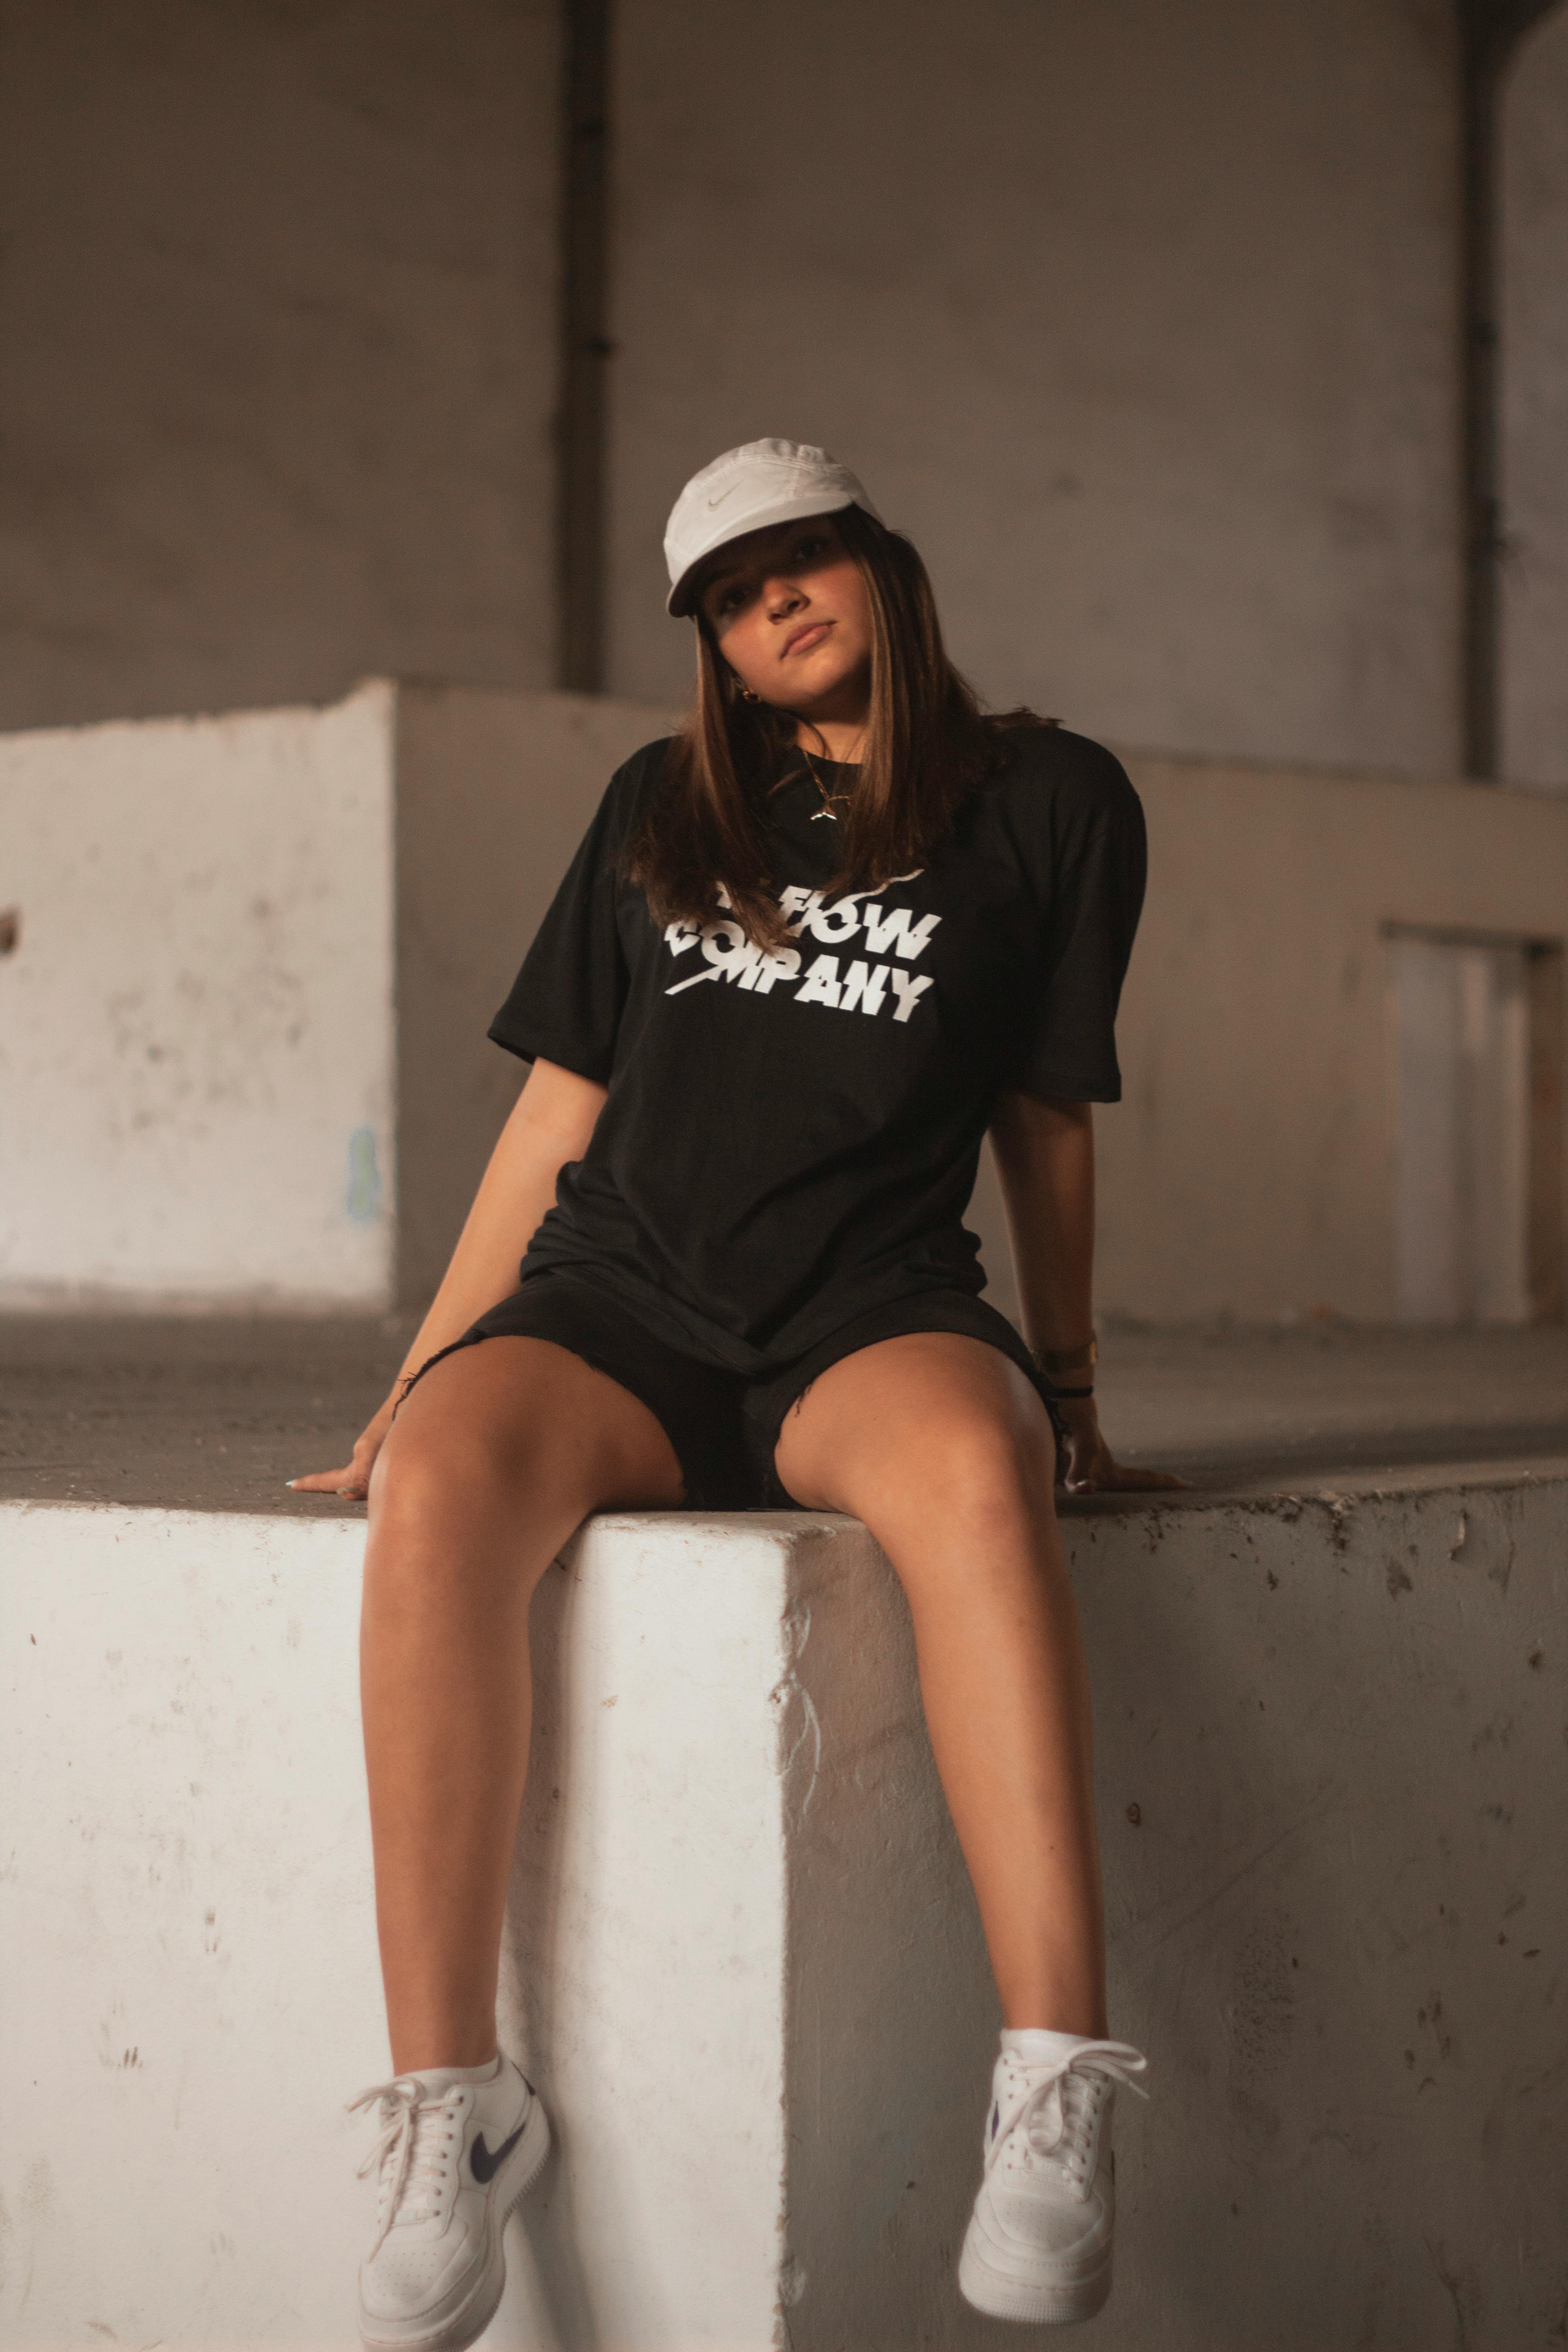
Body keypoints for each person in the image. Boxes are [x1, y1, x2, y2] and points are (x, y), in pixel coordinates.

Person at [293, 438, 1180, 2348]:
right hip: (624, 1304)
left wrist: (1073, 1374)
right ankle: (457, 2104)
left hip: (869, 1307)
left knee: (973, 1462)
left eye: (800, 561)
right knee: (439, 1477)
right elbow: (560, 1107)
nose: (774, 603)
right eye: (729, 593)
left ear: (876, 560)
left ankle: (1050, 2082)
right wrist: (421, 1370)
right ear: (712, 642)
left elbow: (1045, 1113)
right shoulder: (662, 802)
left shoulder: (1051, 799)